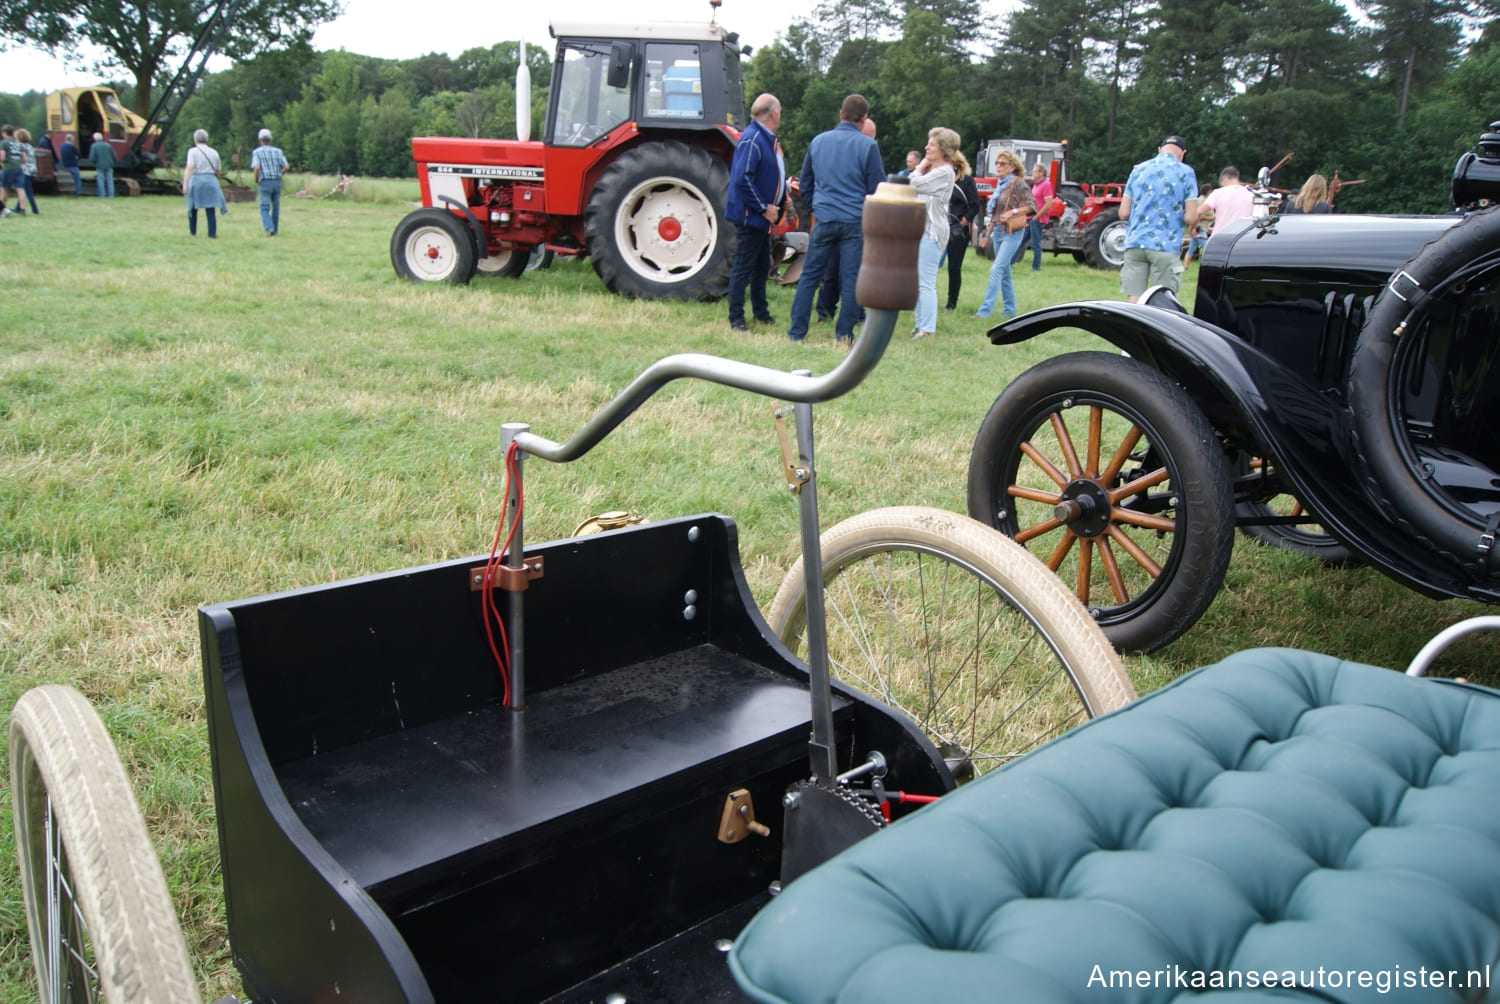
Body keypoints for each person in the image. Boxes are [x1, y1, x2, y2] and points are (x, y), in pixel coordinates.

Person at [786, 94, 885, 348]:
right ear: (863, 119)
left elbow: (805, 182)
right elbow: (877, 188)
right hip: (854, 222)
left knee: (809, 276)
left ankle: (796, 332)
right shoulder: (867, 146)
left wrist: (815, 206)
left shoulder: (818, 142)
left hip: (824, 218)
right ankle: (844, 335)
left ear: (840, 113)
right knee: (852, 278)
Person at [724, 94, 788, 331]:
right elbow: (742, 179)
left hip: (762, 218)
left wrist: (783, 199)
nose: (780, 115)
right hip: (752, 217)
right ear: (772, 113)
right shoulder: (752, 139)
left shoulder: (764, 139)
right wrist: (763, 208)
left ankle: (761, 312)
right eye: (779, 111)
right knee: (743, 266)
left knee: (762, 265)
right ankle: (736, 318)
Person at [1118, 134, 1199, 302]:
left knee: (1134, 298)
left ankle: (1133, 327)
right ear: (1183, 153)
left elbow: (1123, 213)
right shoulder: (1186, 172)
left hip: (1135, 242)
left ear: (1159, 150)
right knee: (1162, 299)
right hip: (1165, 244)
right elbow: (1191, 217)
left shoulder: (1138, 169)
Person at [815, 115, 878, 324]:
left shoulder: (866, 150)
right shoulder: (854, 151)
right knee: (837, 269)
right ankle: (827, 310)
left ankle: (853, 313)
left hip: (853, 218)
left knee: (855, 270)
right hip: (848, 217)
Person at [908, 127, 962, 339]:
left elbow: (913, 183)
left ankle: (927, 329)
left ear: (944, 149)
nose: (927, 147)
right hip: (923, 232)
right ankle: (920, 324)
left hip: (932, 234)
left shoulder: (943, 172)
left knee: (926, 282)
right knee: (919, 281)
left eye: (932, 144)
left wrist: (920, 166)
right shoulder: (937, 172)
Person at [974, 148, 1035, 320]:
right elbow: (995, 213)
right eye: (997, 163)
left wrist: (1013, 212)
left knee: (996, 269)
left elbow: (1032, 205)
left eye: (1003, 163)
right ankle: (1009, 310)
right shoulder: (1000, 185)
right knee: (1005, 272)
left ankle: (984, 311)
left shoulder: (1018, 183)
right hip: (999, 232)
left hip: (1013, 232)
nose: (998, 166)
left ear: (1012, 166)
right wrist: (987, 234)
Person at [943, 154, 981, 311]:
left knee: (954, 267)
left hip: (958, 229)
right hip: (940, 226)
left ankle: (952, 302)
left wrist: (962, 223)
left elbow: (974, 205)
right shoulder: (941, 179)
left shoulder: (966, 181)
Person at [182, 128, 228, 238]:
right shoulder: (214, 152)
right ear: (207, 140)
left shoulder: (192, 151)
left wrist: (185, 184)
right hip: (211, 181)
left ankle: (193, 232)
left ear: (195, 139)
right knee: (210, 209)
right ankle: (211, 234)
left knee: (193, 207)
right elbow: (218, 171)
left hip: (196, 180)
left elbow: (190, 167)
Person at [1196, 166, 1255, 245]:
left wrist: (1192, 228)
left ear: (1224, 178)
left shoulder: (1218, 193)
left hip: (1220, 238)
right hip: (1242, 239)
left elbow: (1199, 211)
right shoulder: (1251, 194)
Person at [1013, 163, 1054, 271]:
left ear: (1041, 173)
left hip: (1037, 219)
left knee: (1036, 244)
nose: (1032, 173)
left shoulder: (1046, 185)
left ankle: (1036, 267)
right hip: (1030, 218)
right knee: (1020, 241)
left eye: (1035, 171)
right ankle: (1009, 263)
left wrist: (1037, 216)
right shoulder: (1036, 185)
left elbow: (1048, 204)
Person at [251, 127, 290, 236]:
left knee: (264, 208)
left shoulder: (257, 152)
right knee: (275, 207)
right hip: (276, 181)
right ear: (270, 139)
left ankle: (269, 228)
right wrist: (279, 174)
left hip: (264, 182)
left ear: (260, 140)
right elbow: (286, 166)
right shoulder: (278, 151)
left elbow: (257, 168)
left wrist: (256, 179)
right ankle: (275, 230)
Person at [1, 125, 23, 217]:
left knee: (4, 189)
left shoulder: (4, 143)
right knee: (20, 189)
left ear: (5, 133)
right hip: (18, 167)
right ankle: (23, 209)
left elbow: (2, 157)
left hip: (8, 168)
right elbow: (23, 158)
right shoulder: (18, 143)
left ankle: (2, 209)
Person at [16, 128, 39, 215]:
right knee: (23, 189)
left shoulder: (19, 147)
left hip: (25, 170)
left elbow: (21, 159)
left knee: (27, 191)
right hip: (32, 170)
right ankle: (17, 207)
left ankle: (35, 209)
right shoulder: (30, 146)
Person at [88, 132, 116, 198]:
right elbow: (114, 156)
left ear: (94, 139)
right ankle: (111, 195)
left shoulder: (94, 146)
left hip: (99, 166)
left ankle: (102, 195)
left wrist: (94, 163)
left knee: (100, 180)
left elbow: (92, 157)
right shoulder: (108, 145)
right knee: (110, 180)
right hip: (109, 165)